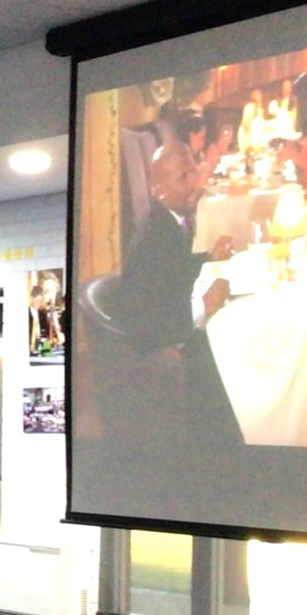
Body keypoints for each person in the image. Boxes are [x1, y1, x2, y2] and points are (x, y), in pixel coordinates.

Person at [104, 139, 245, 446]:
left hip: (172, 321)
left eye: (194, 171)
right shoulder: (154, 237)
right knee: (238, 348)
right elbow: (147, 320)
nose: (196, 182)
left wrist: (208, 257)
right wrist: (202, 308)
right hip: (163, 345)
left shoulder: (169, 221)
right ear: (160, 190)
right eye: (184, 177)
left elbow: (174, 269)